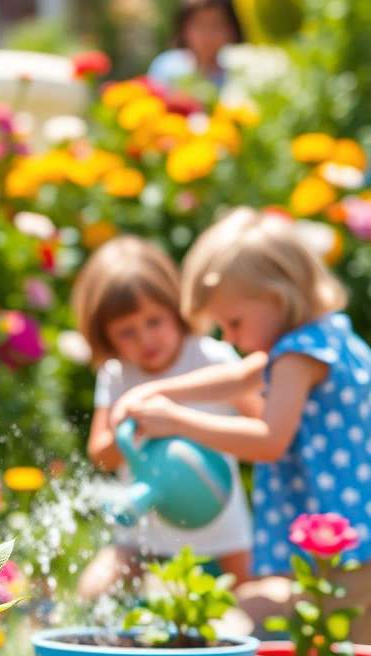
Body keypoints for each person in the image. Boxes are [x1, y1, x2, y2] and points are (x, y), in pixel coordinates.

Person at [111, 208, 371, 641]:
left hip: (350, 543)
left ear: (280, 297)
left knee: (344, 647)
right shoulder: (325, 334)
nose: (228, 338)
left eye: (233, 322)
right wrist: (163, 392)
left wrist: (176, 419)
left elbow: (268, 441)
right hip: (355, 533)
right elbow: (238, 376)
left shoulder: (297, 355)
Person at [74, 234, 255, 602]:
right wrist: (132, 426)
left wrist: (180, 421)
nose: (145, 339)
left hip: (222, 527)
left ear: (177, 310)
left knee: (256, 605)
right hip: (146, 532)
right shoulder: (116, 374)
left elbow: (264, 434)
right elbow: (101, 455)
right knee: (94, 591)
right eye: (127, 332)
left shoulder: (213, 359)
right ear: (105, 335)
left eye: (154, 321)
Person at [147, 0, 244, 90]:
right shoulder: (166, 66)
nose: (208, 34)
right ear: (183, 28)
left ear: (232, 30)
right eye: (200, 25)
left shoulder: (238, 71)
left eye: (216, 25)